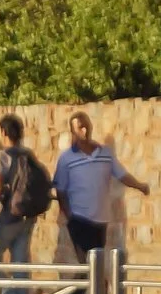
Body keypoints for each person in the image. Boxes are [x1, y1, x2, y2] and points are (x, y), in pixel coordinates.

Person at [56, 111, 148, 267]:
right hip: (79, 218)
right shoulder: (67, 158)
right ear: (73, 131)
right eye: (80, 128)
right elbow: (61, 189)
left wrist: (140, 186)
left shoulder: (105, 153)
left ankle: (87, 283)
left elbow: (122, 175)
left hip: (100, 220)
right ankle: (88, 282)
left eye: (86, 126)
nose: (84, 130)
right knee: (87, 262)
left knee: (95, 264)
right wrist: (69, 215)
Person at [0, 115, 49, 294]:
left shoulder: (2, 156)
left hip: (9, 216)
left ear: (3, 132)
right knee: (20, 260)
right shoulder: (28, 154)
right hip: (28, 216)